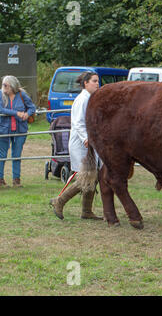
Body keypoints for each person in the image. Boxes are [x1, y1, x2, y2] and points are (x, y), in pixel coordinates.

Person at [50, 72, 102, 220]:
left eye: (98, 81)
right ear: (86, 83)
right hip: (81, 143)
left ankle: (86, 211)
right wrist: (86, 138)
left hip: (88, 143)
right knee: (86, 177)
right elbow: (78, 123)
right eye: (94, 81)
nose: (97, 84)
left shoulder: (90, 98)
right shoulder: (82, 99)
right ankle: (59, 201)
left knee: (93, 175)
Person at [0, 75, 36, 188]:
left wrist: (27, 114)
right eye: (3, 84)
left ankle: (16, 180)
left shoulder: (22, 94)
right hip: (3, 130)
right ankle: (0, 180)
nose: (3, 87)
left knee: (17, 155)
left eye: (6, 85)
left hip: (20, 129)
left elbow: (32, 107)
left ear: (12, 86)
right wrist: (16, 113)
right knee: (2, 155)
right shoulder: (0, 95)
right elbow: (1, 109)